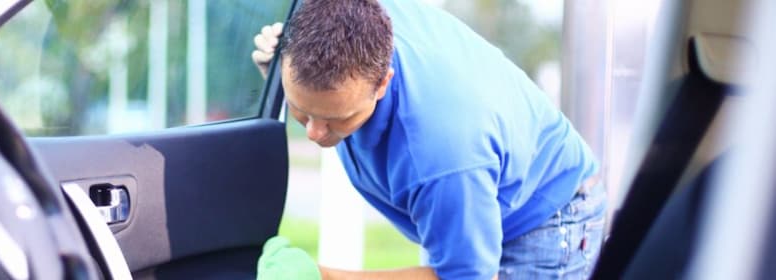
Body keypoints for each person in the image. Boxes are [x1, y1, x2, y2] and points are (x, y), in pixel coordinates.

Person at [251, 0, 606, 279]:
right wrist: (279, 80)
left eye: (337, 119)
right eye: (302, 111)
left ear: (383, 83)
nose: (314, 133)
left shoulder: (444, 155)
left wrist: (322, 276)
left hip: (542, 218)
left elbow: (466, 278)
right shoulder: (334, 16)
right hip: (466, 194)